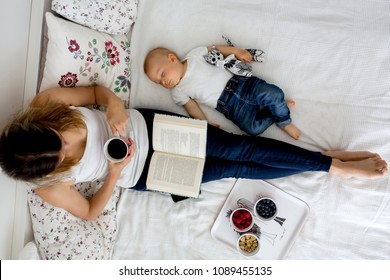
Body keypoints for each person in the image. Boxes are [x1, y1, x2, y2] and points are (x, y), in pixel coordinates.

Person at [0, 86, 387, 220]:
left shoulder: (46, 101)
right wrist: (115, 173)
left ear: (36, 123)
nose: (68, 145)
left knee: (244, 147)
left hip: (151, 127)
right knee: (237, 168)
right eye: (62, 155)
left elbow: (100, 94)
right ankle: (326, 163)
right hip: (144, 174)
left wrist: (114, 106)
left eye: (58, 136)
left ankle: (332, 166)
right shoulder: (47, 185)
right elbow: (88, 212)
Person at [144, 45, 301, 139]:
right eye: (159, 82)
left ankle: (283, 121)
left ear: (172, 58)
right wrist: (205, 123)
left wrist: (237, 51)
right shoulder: (177, 92)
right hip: (229, 107)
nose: (163, 82)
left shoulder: (194, 56)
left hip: (240, 83)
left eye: (162, 74)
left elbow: (217, 49)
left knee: (274, 93)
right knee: (254, 129)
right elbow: (192, 108)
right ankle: (274, 109)